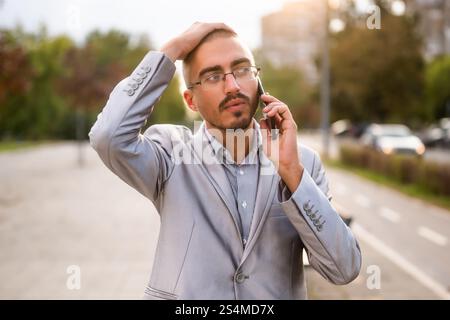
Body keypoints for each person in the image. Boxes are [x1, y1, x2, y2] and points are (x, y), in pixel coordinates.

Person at [89, 22, 361, 300]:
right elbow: (108, 136)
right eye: (212, 76)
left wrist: (291, 172)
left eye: (242, 70)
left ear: (259, 83)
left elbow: (343, 269)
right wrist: (172, 50)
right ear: (190, 100)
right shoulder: (170, 154)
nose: (232, 86)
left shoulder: (303, 164)